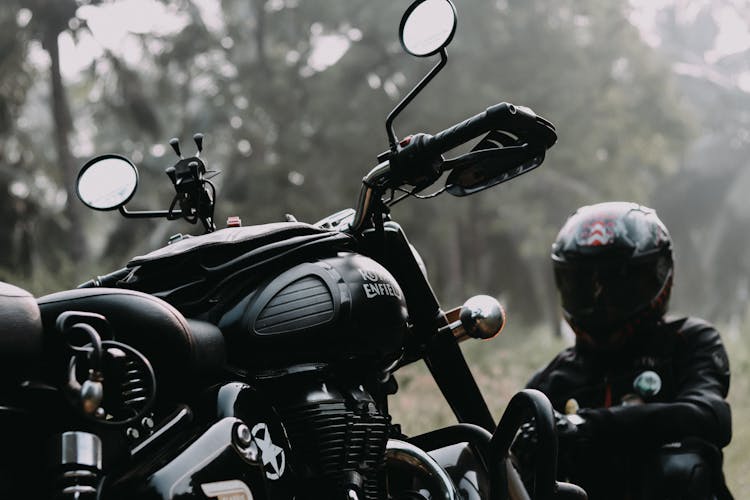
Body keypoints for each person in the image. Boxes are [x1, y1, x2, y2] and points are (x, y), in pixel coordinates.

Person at [520, 201, 732, 499]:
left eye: (617, 283)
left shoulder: (688, 341)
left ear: (658, 273)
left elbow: (711, 416)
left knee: (680, 468)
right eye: (584, 283)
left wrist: (583, 426)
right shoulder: (550, 381)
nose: (600, 300)